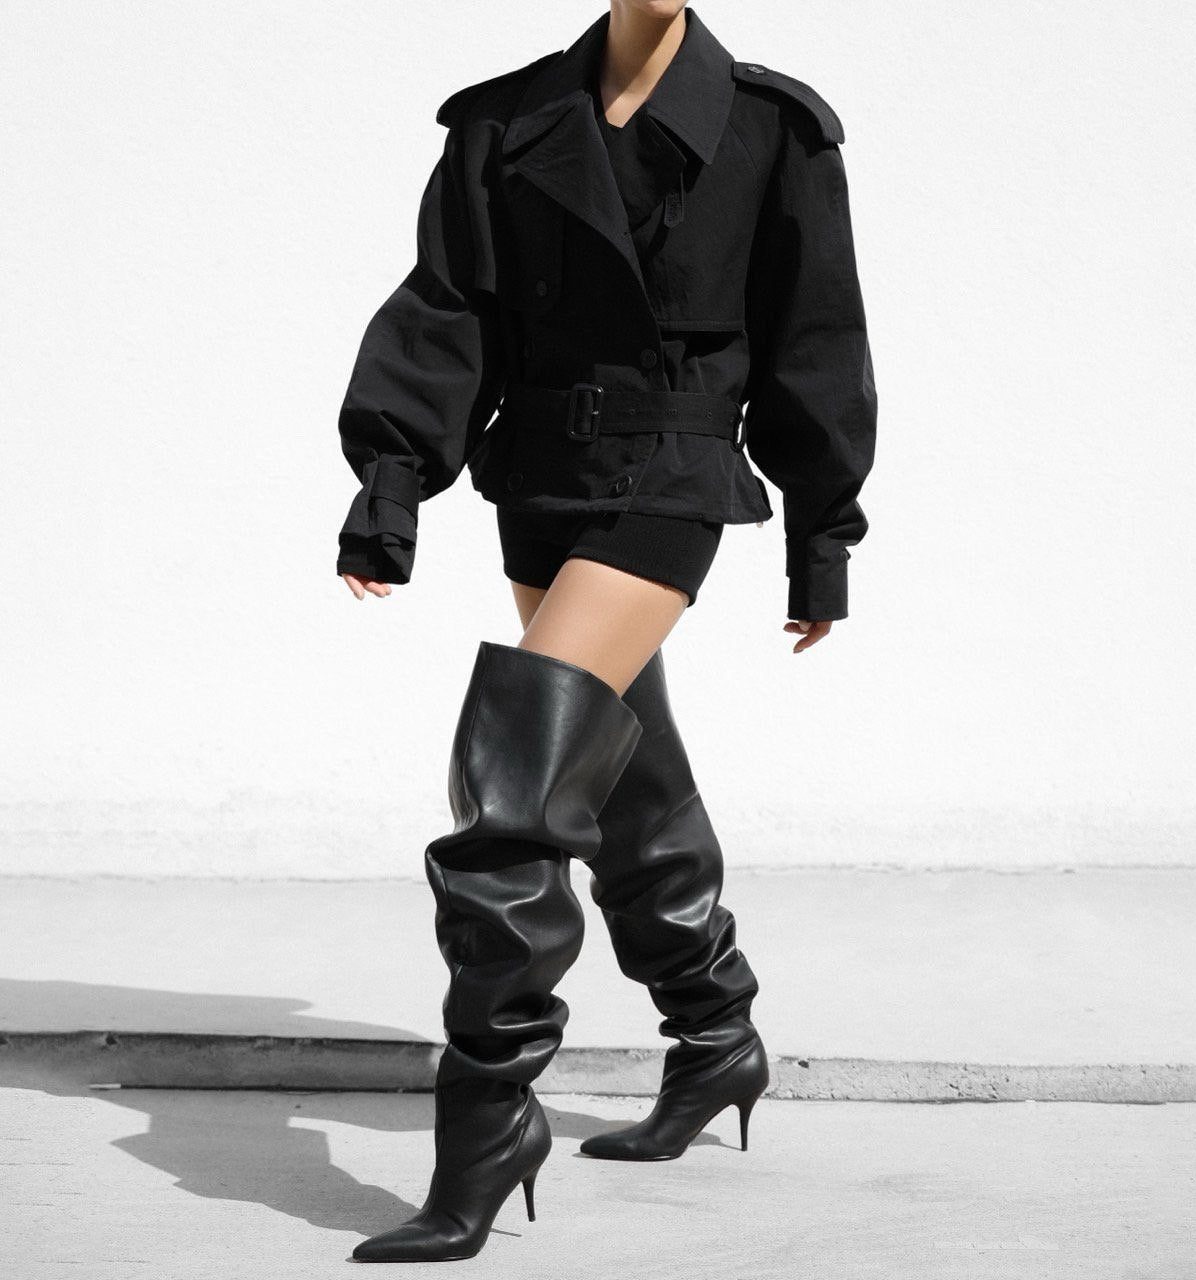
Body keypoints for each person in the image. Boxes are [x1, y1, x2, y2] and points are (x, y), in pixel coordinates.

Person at [334, 0, 877, 1264]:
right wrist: (391, 481)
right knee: (621, 764)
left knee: (511, 795)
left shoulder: (773, 128)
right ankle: (713, 1030)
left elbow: (815, 332)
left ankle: (485, 1121)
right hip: (537, 474)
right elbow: (447, 307)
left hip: (671, 473)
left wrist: (820, 533)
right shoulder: (504, 119)